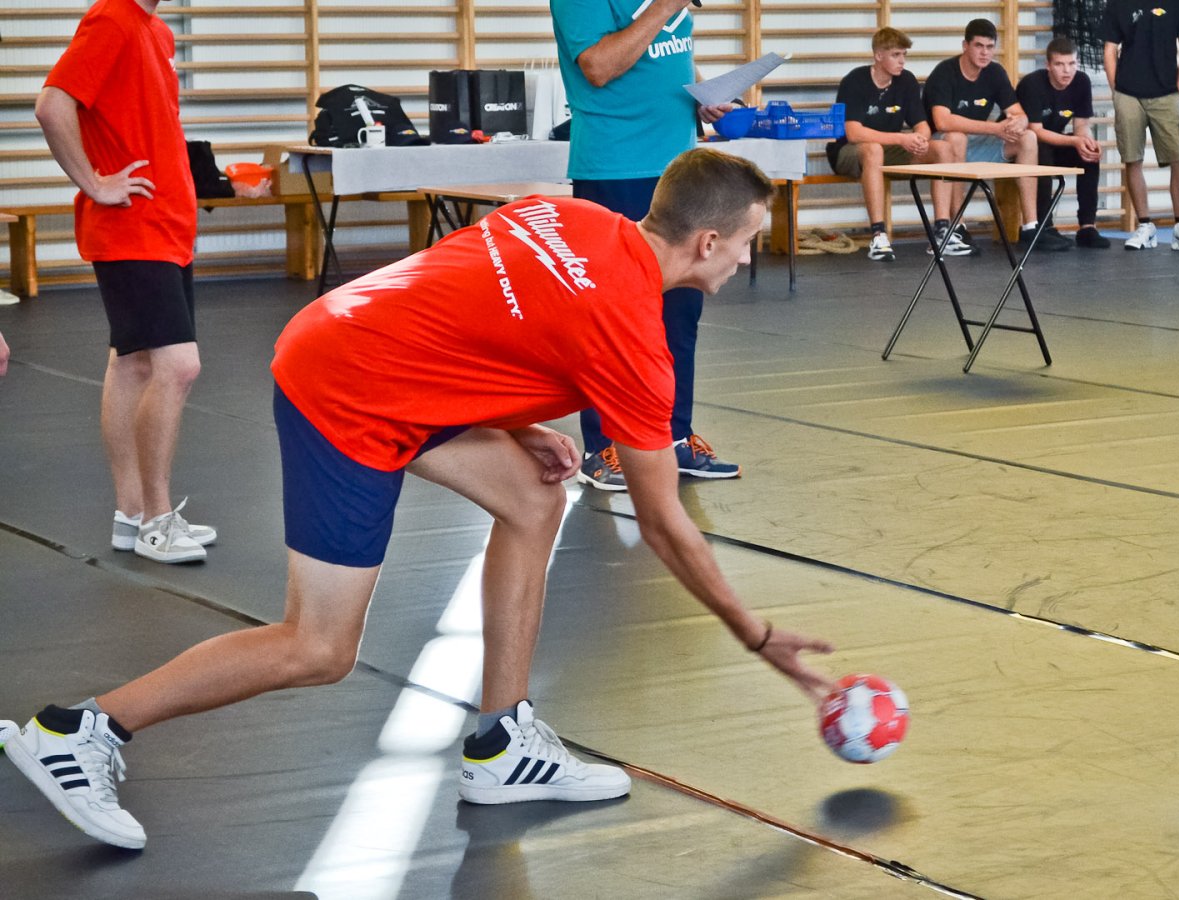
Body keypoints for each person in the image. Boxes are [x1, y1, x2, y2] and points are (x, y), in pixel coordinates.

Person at [0, 149, 837, 851]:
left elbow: (466, 303)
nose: (746, 259)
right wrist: (757, 636)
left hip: (359, 341)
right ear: (708, 240)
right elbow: (662, 522)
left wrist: (513, 422)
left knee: (533, 498)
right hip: (345, 391)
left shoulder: (566, 216)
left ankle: (502, 744)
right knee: (317, 647)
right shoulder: (635, 341)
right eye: (746, 242)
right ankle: (79, 732)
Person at [34, 0, 216, 563]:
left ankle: (132, 515)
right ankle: (157, 523)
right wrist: (93, 183)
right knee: (178, 366)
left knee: (133, 363)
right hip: (134, 230)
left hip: (166, 227)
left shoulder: (155, 30)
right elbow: (52, 105)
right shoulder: (112, 18)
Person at [552, 0, 742, 492]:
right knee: (610, 312)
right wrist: (665, 5)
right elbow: (598, 66)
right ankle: (602, 446)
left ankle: (674, 437)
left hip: (678, 166)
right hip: (617, 167)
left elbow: (670, 56)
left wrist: (703, 98)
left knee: (681, 309)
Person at [923, 19, 1070, 252]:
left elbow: (1018, 113)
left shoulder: (995, 72)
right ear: (965, 46)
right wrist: (995, 128)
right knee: (956, 137)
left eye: (990, 47)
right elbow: (943, 121)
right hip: (942, 145)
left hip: (978, 144)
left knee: (1028, 138)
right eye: (979, 46)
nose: (985, 53)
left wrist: (1019, 122)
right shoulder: (945, 72)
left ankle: (1030, 226)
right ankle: (957, 225)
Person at [827, 27, 960, 262]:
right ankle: (878, 235)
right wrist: (901, 138)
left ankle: (942, 231)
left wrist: (920, 139)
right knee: (873, 149)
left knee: (943, 148)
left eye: (904, 55)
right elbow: (854, 133)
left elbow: (922, 124)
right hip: (850, 152)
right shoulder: (855, 81)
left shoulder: (906, 81)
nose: (902, 61)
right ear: (879, 56)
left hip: (889, 150)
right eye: (896, 55)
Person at [1100, 0, 1179, 252]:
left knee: (1178, 157)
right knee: (1132, 159)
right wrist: (1117, 91)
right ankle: (1145, 225)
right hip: (1128, 92)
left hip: (1167, 92)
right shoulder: (1117, 3)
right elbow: (1109, 49)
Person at [1015, 37, 1112, 249]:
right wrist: (1075, 140)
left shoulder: (1081, 82)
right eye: (1059, 64)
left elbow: (1081, 125)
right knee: (1042, 150)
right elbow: (1036, 131)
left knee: (1088, 154)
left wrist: (1085, 141)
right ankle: (1043, 226)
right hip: (1023, 148)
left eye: (1071, 64)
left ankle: (1087, 227)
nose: (1067, 71)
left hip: (1054, 142)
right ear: (1048, 65)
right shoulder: (1032, 84)